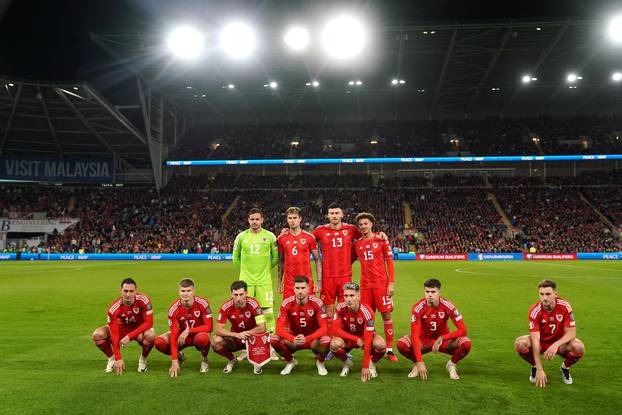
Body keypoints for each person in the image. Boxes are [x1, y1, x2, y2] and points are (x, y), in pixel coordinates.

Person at [397, 278, 471, 380]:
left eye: (433, 292)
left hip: (443, 341)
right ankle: (416, 365)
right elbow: (414, 335)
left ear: (439, 292)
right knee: (401, 344)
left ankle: (451, 364)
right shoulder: (418, 308)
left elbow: (463, 330)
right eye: (427, 292)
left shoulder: (448, 306)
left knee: (466, 343)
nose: (430, 295)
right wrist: (419, 361)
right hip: (424, 341)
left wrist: (443, 337)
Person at [514, 279, 585, 387]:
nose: (544, 298)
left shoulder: (565, 306)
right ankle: (534, 366)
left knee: (579, 347)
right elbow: (535, 341)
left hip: (560, 344)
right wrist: (539, 369)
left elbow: (571, 333)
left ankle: (565, 368)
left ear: (555, 294)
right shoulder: (535, 311)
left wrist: (555, 345)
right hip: (542, 343)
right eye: (541, 294)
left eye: (548, 294)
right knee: (520, 343)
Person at [352, 212, 397, 362]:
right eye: (360, 225)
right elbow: (349, 260)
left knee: (386, 316)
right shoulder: (357, 244)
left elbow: (389, 262)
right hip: (365, 287)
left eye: (366, 223)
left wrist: (391, 283)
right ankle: (373, 345)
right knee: (367, 318)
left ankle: (389, 350)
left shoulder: (381, 240)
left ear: (371, 224)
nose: (363, 226)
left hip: (381, 286)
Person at [92, 278, 155, 374]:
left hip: (139, 330)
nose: (128, 294)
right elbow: (114, 334)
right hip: (122, 329)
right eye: (125, 291)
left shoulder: (144, 300)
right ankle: (112, 359)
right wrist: (118, 358)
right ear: (121, 290)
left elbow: (149, 323)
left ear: (136, 291)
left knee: (151, 336)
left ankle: (143, 360)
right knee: (97, 335)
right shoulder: (113, 308)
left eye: (131, 291)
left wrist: (129, 337)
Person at [270, 276, 330, 376]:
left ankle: (320, 362)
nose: (300, 291)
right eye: (297, 288)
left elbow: (324, 328)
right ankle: (291, 362)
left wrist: (307, 338)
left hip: (312, 340)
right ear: (293, 289)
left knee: (326, 340)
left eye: (303, 288)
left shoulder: (317, 302)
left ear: (308, 288)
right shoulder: (287, 303)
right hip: (294, 340)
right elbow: (278, 328)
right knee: (273, 339)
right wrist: (292, 338)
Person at [154, 278, 213, 377]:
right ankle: (178, 355)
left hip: (198, 335)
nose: (185, 294)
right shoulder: (174, 308)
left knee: (203, 338)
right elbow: (173, 334)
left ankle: (204, 359)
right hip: (181, 337)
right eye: (183, 291)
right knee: (159, 342)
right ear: (179, 291)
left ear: (194, 291)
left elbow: (209, 327)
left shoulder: (203, 303)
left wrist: (190, 330)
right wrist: (174, 360)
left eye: (188, 291)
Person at [233, 208, 279, 333]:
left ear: (262, 220)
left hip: (264, 281)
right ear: (248, 220)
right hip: (246, 281)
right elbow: (235, 259)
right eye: (252, 219)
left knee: (268, 313)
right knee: (244, 313)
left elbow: (276, 258)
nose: (254, 221)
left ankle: (271, 344)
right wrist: (246, 270)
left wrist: (264, 269)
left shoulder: (270, 236)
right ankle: (245, 346)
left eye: (257, 219)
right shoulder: (241, 237)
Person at [329, 282, 386, 382]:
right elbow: (336, 330)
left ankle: (371, 363)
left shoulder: (367, 312)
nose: (348, 299)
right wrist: (356, 339)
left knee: (381, 345)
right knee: (333, 344)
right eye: (346, 296)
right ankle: (347, 363)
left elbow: (368, 338)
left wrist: (365, 366)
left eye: (352, 295)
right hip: (348, 338)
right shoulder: (339, 307)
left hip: (365, 337)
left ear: (359, 296)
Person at [211, 280, 267, 374]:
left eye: (241, 294)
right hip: (236, 338)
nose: (238, 298)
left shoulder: (253, 304)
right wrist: (237, 335)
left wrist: (246, 333)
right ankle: (232, 360)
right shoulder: (226, 306)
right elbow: (218, 330)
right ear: (231, 294)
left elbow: (262, 327)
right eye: (235, 295)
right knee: (215, 341)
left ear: (246, 293)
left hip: (252, 338)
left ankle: (256, 361)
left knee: (267, 337)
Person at [277, 206, 322, 299]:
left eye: (295, 218)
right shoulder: (281, 238)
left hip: (306, 283)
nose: (292, 220)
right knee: (289, 311)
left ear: (300, 219)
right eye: (290, 218)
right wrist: (279, 282)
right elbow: (281, 261)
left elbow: (317, 260)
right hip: (289, 284)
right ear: (287, 219)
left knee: (308, 311)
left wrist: (319, 281)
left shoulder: (309, 237)